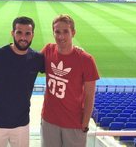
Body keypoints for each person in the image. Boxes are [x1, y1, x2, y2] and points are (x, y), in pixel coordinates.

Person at [0, 16, 44, 147]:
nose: (23, 38)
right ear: (12, 33)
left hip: (22, 124)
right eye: (19, 32)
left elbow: (57, 60)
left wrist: (74, 48)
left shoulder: (37, 58)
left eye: (27, 33)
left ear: (33, 35)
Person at [41, 14, 100, 147]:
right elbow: (28, 64)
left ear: (73, 32)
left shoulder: (86, 60)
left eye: (65, 31)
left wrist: (85, 123)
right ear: (53, 33)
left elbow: (90, 96)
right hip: (49, 120)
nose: (61, 36)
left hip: (74, 123)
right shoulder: (48, 50)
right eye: (57, 32)